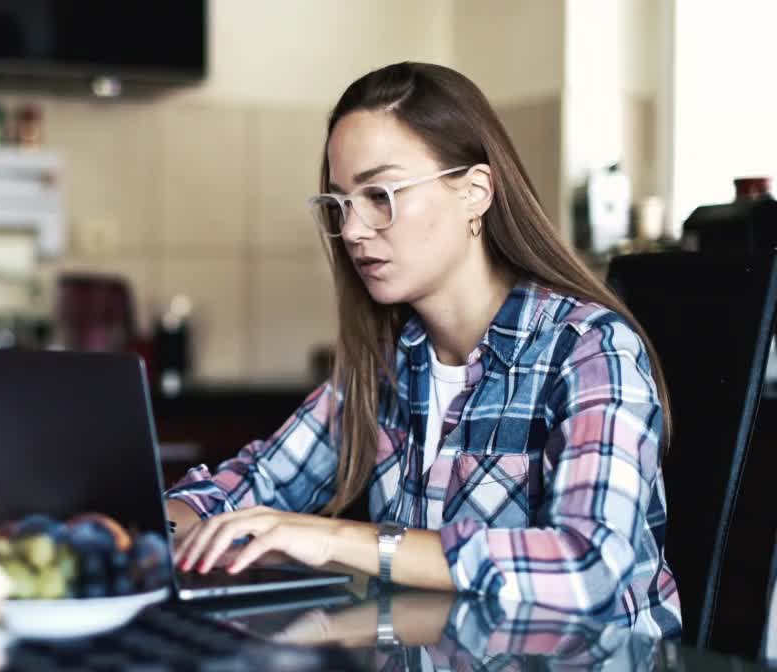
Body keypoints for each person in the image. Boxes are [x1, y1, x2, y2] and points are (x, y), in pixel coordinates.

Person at [167, 62, 680, 635]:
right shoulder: (387, 364)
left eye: (380, 194)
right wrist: (134, 526)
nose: (355, 230)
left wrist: (334, 536)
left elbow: (587, 567)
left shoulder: (590, 348)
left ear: (475, 193)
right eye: (340, 204)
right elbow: (245, 488)